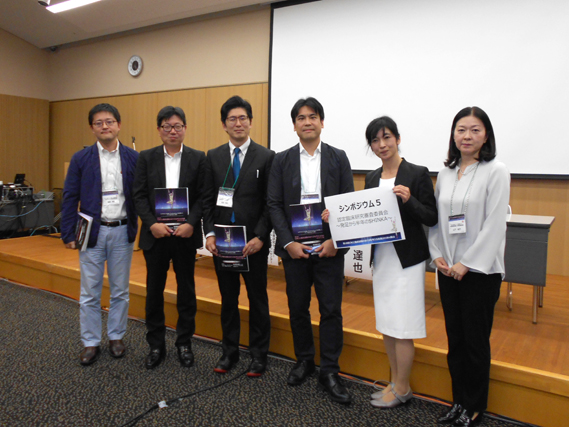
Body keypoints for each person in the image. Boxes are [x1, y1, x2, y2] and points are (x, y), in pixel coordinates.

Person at [267, 97, 354, 404]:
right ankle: (304, 360)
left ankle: (329, 371)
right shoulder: (281, 160)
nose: (307, 122)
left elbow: (347, 202)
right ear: (294, 125)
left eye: (313, 116)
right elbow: (274, 204)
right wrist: (288, 243)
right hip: (296, 249)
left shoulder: (338, 157)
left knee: (331, 311)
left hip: (328, 248)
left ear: (322, 122)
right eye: (301, 118)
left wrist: (336, 241)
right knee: (298, 307)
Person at [429, 107, 510, 426]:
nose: (467, 136)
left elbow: (495, 225)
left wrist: (468, 263)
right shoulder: (446, 173)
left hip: (480, 272)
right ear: (453, 135)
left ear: (486, 135)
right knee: (455, 340)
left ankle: (475, 406)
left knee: (475, 341)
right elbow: (437, 221)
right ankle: (458, 401)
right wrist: (437, 254)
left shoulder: (496, 171)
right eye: (461, 130)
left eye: (475, 130)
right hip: (448, 269)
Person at [362, 117, 438, 408]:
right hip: (382, 259)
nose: (382, 145)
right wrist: (339, 220)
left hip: (407, 261)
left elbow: (431, 217)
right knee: (387, 323)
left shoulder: (417, 173)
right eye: (375, 140)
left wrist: (409, 200)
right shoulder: (372, 177)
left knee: (404, 325)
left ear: (397, 138)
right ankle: (394, 383)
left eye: (386, 138)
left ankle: (403, 388)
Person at [61, 103, 139, 365]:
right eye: (99, 123)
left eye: (109, 121)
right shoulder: (81, 158)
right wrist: (67, 233)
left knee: (120, 290)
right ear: (92, 128)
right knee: (90, 291)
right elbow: (70, 196)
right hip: (90, 232)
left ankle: (116, 336)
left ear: (119, 125)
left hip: (122, 231)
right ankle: (91, 341)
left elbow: (140, 194)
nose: (105, 126)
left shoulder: (133, 158)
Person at [203, 96, 275, 376]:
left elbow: (270, 203)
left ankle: (259, 355)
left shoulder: (266, 157)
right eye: (232, 119)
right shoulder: (214, 156)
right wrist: (209, 233)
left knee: (258, 299)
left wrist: (260, 237)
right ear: (224, 125)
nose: (238, 123)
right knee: (228, 299)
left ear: (251, 122)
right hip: (223, 243)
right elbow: (208, 200)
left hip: (252, 243)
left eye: (243, 118)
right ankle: (229, 352)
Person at [133, 106, 206, 369]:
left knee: (187, 291)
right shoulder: (146, 157)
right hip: (156, 236)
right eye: (167, 126)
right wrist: (151, 224)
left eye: (177, 126)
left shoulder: (198, 158)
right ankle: (156, 345)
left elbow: (203, 197)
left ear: (185, 128)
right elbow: (139, 195)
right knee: (154, 291)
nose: (172, 131)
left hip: (184, 236)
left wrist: (190, 223)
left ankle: (184, 343)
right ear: (159, 129)